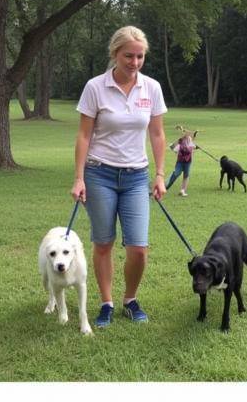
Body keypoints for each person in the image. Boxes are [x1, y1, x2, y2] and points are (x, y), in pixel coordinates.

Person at [72, 26, 168, 327]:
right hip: (99, 174)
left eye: (140, 56)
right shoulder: (95, 87)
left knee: (138, 248)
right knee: (103, 242)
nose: (135, 62)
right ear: (114, 54)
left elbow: (157, 133)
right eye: (128, 55)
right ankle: (106, 303)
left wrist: (161, 174)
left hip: (137, 177)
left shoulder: (151, 87)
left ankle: (130, 299)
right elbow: (84, 136)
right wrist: (79, 177)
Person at [166, 128, 199, 196]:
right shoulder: (180, 140)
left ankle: (182, 191)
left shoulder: (189, 139)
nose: (187, 135)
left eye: (187, 133)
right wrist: (176, 143)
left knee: (186, 175)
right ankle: (164, 187)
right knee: (175, 174)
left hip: (188, 161)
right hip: (180, 162)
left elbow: (192, 143)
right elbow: (172, 147)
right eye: (185, 133)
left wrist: (196, 147)